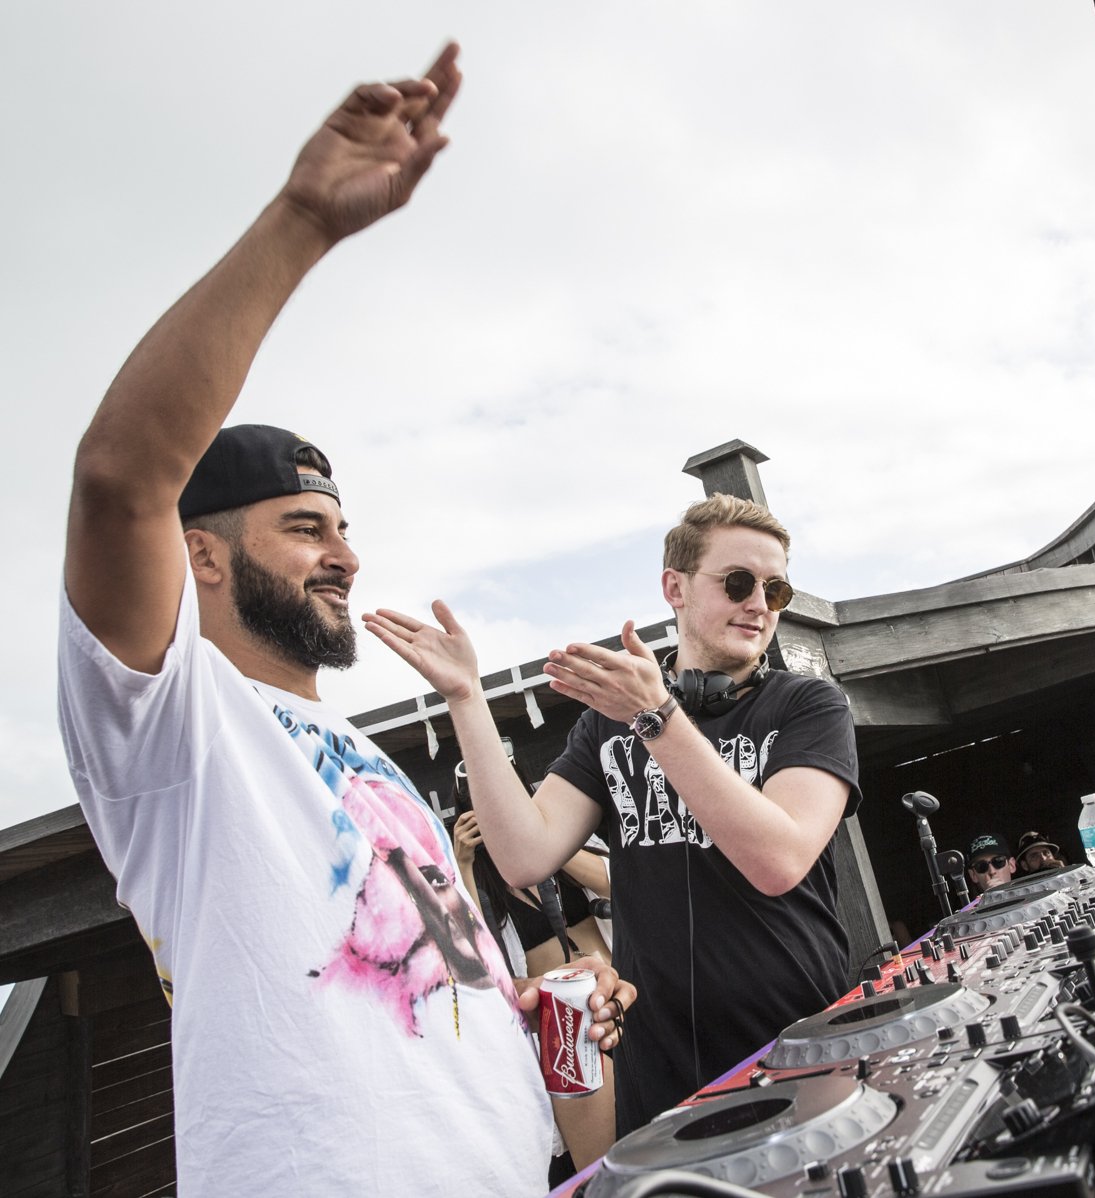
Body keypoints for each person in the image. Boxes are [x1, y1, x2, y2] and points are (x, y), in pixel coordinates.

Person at [56, 45, 634, 1198]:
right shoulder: (174, 729)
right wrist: (304, 220)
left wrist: (525, 1014)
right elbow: (121, 478)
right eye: (305, 526)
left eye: (345, 525)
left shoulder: (367, 757)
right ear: (202, 554)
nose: (347, 554)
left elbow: (413, 992)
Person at [364, 494, 861, 1135]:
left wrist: (657, 721)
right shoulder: (609, 725)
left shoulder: (809, 707)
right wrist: (466, 698)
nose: (760, 603)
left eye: (777, 589)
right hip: (660, 1078)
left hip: (799, 1051)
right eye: (738, 582)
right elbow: (522, 855)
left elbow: (779, 859)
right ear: (673, 588)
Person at [453, 802, 616, 1176]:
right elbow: (480, 961)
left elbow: (616, 880)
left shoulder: (566, 843)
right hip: (566, 1025)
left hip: (619, 990)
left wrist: (544, 838)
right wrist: (463, 864)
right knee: (605, 1168)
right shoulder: (485, 883)